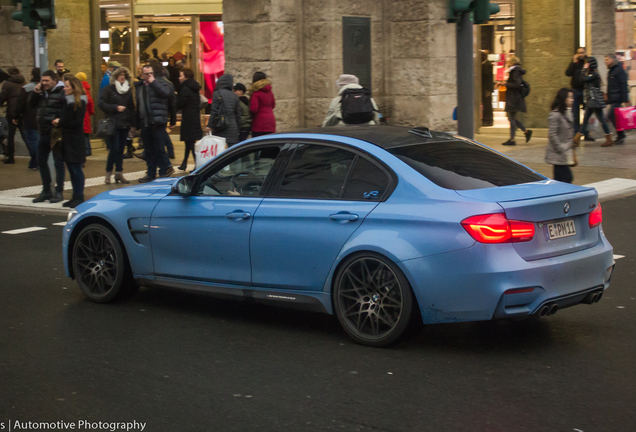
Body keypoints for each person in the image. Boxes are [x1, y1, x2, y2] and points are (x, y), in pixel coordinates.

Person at [29, 70, 66, 203]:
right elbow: (31, 105)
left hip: (55, 133)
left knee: (58, 162)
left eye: (46, 81)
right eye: (42, 81)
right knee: (41, 161)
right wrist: (35, 92)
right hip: (42, 131)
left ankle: (59, 191)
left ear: (54, 81)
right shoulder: (42, 92)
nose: (43, 83)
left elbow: (66, 110)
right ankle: (46, 190)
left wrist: (60, 122)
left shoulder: (62, 92)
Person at [134, 64, 174, 183]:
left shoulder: (159, 83)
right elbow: (137, 105)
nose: (149, 75)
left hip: (157, 121)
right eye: (146, 74)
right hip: (145, 122)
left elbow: (166, 94)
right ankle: (151, 173)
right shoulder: (139, 87)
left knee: (159, 147)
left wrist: (154, 82)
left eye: (151, 73)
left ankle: (163, 171)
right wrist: (136, 123)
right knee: (149, 149)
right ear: (142, 75)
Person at [52, 75, 87, 208]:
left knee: (76, 169)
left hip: (75, 140)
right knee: (71, 169)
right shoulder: (67, 101)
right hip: (67, 139)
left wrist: (60, 122)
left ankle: (79, 196)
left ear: (74, 87)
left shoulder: (79, 102)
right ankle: (75, 196)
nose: (64, 88)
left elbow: (76, 121)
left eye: (67, 86)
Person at [99, 67, 135, 184]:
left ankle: (119, 173)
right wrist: (115, 108)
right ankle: (109, 172)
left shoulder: (127, 90)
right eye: (120, 75)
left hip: (124, 123)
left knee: (120, 149)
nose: (122, 77)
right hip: (113, 123)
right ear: (115, 77)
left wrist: (132, 124)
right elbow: (101, 103)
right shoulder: (108, 89)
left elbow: (131, 107)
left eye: (124, 75)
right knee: (114, 149)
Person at [574, 57, 612, 147]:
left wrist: (584, 69)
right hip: (592, 101)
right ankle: (576, 139)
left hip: (595, 101)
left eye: (587, 63)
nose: (585, 65)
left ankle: (609, 139)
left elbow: (582, 79)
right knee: (585, 120)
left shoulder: (594, 74)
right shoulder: (592, 74)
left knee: (601, 119)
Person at [545, 88, 577, 183]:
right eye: (570, 97)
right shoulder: (555, 115)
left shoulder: (567, 112)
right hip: (558, 153)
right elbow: (552, 134)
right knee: (566, 178)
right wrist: (560, 148)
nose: (572, 100)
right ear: (564, 98)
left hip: (565, 152)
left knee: (559, 180)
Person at [176, 68, 203, 170]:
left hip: (188, 119)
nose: (179, 78)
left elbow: (181, 104)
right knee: (189, 142)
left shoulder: (185, 88)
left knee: (190, 143)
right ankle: (184, 163)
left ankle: (198, 165)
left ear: (186, 77)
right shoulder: (194, 88)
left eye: (181, 75)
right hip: (194, 117)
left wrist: (176, 98)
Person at [14, 67, 41, 170]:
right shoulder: (44, 88)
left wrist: (16, 116)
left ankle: (35, 162)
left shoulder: (26, 88)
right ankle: (35, 162)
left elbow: (20, 104)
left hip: (30, 119)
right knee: (37, 141)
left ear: (32, 76)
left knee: (32, 141)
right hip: (41, 119)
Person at [566, 47, 594, 141]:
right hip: (575, 90)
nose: (580, 54)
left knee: (587, 113)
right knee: (574, 114)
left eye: (582, 53)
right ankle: (575, 134)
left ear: (585, 53)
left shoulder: (588, 62)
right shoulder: (575, 63)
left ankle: (586, 133)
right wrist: (573, 62)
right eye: (578, 53)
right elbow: (568, 73)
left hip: (585, 90)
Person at [502, 56, 532, 146]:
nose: (507, 63)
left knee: (511, 119)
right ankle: (525, 132)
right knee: (511, 118)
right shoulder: (515, 71)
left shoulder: (515, 71)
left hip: (514, 98)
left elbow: (517, 84)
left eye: (508, 61)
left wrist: (505, 84)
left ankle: (513, 139)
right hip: (514, 98)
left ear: (512, 62)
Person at [206, 74, 242, 146]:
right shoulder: (235, 96)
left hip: (220, 125)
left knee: (219, 149)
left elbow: (214, 111)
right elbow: (238, 114)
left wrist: (209, 125)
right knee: (232, 150)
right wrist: (238, 129)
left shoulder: (217, 94)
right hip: (232, 126)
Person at [0, 67, 26, 164]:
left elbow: (2, 97)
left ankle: (11, 157)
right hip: (22, 112)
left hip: (12, 112)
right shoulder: (24, 83)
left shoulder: (7, 83)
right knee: (25, 134)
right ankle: (34, 155)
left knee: (11, 135)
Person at [605, 53, 630, 145]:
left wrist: (625, 99)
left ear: (612, 60)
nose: (605, 61)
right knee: (614, 116)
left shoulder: (619, 70)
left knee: (611, 115)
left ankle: (621, 134)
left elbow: (623, 84)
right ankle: (620, 135)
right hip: (613, 97)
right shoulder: (611, 70)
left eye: (607, 59)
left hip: (618, 97)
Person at [248, 71, 276, 136]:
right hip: (271, 122)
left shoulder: (256, 94)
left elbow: (253, 109)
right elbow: (273, 105)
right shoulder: (270, 92)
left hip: (259, 124)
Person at [75, 72, 94, 157]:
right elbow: (90, 101)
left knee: (83, 134)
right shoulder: (87, 88)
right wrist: (91, 111)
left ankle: (86, 150)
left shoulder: (79, 88)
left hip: (82, 113)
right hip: (86, 113)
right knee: (85, 133)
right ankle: (88, 150)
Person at [481, 51, 494, 127]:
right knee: (486, 104)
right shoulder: (485, 64)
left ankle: (488, 120)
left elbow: (486, 76)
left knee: (487, 104)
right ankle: (486, 119)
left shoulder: (487, 64)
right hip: (485, 88)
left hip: (487, 88)